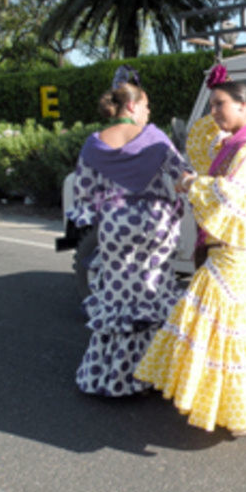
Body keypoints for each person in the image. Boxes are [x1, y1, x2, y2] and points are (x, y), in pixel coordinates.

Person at [134, 68, 246, 436]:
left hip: (239, 251)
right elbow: (199, 143)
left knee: (220, 326)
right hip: (245, 245)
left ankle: (240, 411)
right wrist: (213, 91)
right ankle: (241, 406)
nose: (214, 112)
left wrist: (192, 183)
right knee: (234, 329)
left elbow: (230, 193)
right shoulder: (242, 140)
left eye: (220, 104)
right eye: (211, 105)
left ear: (243, 105)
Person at [68, 74, 188, 397]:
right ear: (132, 105)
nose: (148, 113)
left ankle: (112, 377)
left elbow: (84, 192)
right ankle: (152, 374)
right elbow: (181, 176)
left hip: (116, 225)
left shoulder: (94, 143)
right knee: (153, 290)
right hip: (156, 225)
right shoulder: (154, 137)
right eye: (146, 106)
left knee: (118, 295)